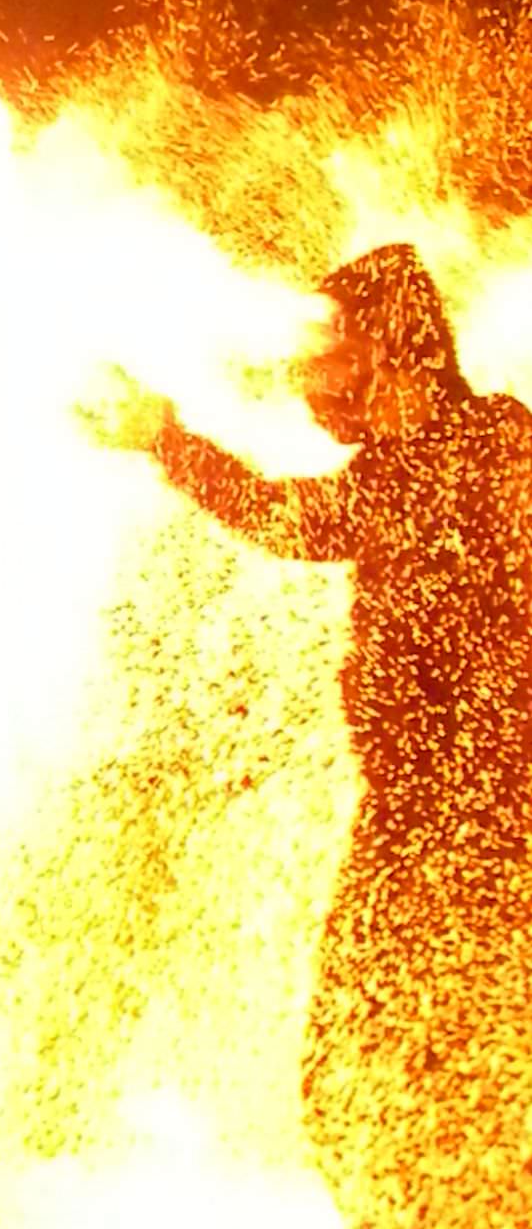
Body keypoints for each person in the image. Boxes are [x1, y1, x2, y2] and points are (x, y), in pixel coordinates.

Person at [146, 242, 532, 1225]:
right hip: (416, 832)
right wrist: (163, 438)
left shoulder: (486, 457)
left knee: (428, 1089)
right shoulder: (421, 465)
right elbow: (296, 518)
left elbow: (288, 517)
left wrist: (162, 436)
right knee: (369, 1085)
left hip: (480, 838)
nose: (302, 376)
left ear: (390, 352)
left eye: (324, 349)